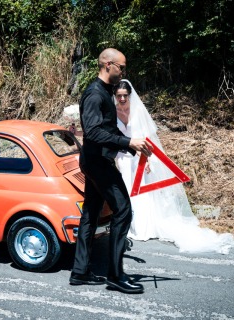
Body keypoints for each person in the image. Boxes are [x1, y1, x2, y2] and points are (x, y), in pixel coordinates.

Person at [113, 79, 234, 254]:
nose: (123, 99)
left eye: (125, 95)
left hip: (140, 157)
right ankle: (131, 225)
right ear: (115, 96)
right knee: (127, 190)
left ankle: (144, 226)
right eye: (119, 96)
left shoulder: (137, 111)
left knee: (141, 192)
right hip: (124, 158)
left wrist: (146, 159)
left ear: (130, 95)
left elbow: (147, 137)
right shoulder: (113, 112)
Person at [69, 48, 152, 294]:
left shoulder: (105, 91)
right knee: (123, 211)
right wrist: (127, 143)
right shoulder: (95, 94)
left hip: (96, 160)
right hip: (97, 162)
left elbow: (107, 128)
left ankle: (80, 273)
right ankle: (115, 275)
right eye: (121, 67)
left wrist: (133, 146)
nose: (123, 71)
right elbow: (93, 133)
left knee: (90, 215)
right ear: (107, 64)